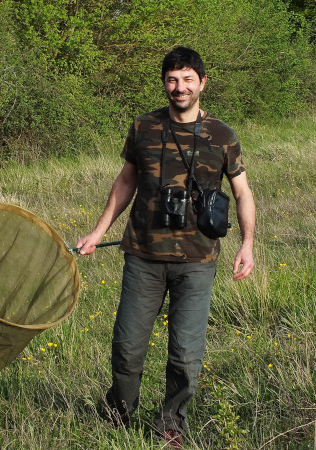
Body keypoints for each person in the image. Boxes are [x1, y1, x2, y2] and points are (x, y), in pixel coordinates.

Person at [75, 46, 255, 447]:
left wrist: (248, 245)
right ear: (164, 83)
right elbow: (125, 182)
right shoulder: (143, 128)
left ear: (203, 83)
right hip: (143, 255)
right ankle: (118, 415)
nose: (180, 87)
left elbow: (242, 193)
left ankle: (171, 425)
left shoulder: (222, 136)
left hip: (198, 259)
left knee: (186, 355)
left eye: (188, 79)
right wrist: (97, 230)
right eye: (173, 79)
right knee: (126, 347)